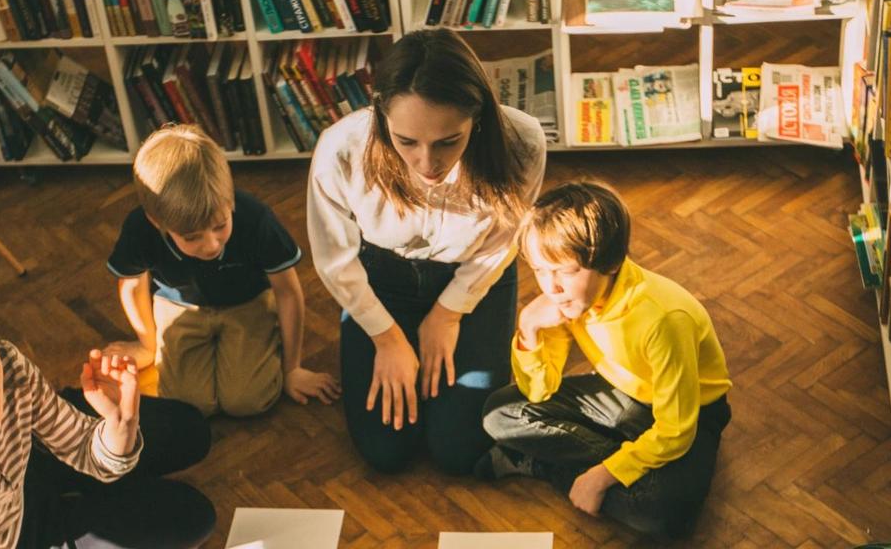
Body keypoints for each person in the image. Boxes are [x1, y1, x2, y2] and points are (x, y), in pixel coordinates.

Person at [306, 28, 548, 475]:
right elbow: (334, 258)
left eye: (448, 141)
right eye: (406, 141)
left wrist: (449, 313)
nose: (426, 163)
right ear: (381, 113)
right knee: (385, 450)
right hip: (380, 280)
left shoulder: (523, 142)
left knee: (459, 449)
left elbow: (502, 241)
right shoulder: (340, 150)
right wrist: (386, 337)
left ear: (477, 116)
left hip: (474, 276)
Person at [0, 284, 215, 548]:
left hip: (32, 463)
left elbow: (83, 448)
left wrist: (121, 422)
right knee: (194, 518)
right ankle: (98, 501)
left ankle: (100, 493)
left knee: (190, 430)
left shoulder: (9, 364)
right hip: (15, 539)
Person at [479, 181, 734, 539]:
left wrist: (603, 475)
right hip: (622, 393)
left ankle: (546, 467)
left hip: (692, 413)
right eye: (539, 269)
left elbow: (676, 429)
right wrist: (528, 328)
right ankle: (631, 467)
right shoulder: (569, 300)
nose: (550, 288)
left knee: (665, 518)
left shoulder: (665, 318)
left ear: (611, 263)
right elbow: (539, 392)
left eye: (566, 271)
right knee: (500, 413)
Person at [107, 124, 338, 417]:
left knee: (248, 401)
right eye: (191, 237)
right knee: (190, 407)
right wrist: (146, 345)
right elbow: (131, 284)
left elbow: (288, 291)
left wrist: (292, 369)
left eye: (220, 226)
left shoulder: (255, 218)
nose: (211, 245)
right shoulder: (140, 228)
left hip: (247, 303)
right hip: (178, 306)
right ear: (156, 221)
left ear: (230, 203)